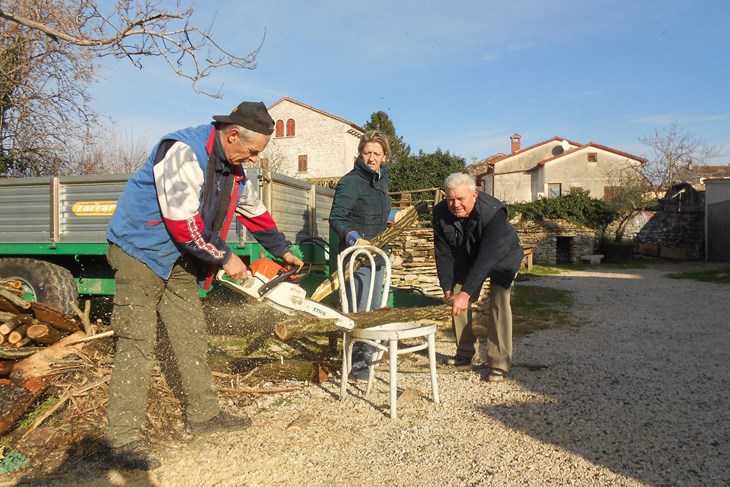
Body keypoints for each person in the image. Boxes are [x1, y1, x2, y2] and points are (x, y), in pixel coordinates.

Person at [100, 101, 303, 470]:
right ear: (233, 134)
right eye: (254, 151)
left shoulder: (235, 169)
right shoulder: (182, 152)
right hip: (139, 250)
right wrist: (226, 257)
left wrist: (283, 249)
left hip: (178, 257)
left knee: (191, 334)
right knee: (137, 342)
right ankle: (121, 439)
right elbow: (183, 222)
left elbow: (253, 211)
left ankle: (204, 415)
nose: (256, 159)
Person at [432, 173, 524, 382]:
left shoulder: (493, 212)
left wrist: (467, 292)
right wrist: (447, 286)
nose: (455, 204)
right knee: (457, 296)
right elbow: (443, 253)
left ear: (475, 194)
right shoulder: (439, 213)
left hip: (502, 256)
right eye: (450, 199)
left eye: (461, 199)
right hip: (469, 257)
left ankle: (499, 362)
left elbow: (487, 257)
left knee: (499, 299)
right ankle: (465, 353)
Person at [329, 130, 394, 379]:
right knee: (358, 307)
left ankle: (369, 353)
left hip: (378, 255)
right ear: (360, 153)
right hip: (357, 258)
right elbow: (337, 218)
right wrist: (356, 239)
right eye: (367, 152)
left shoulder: (381, 179)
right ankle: (356, 361)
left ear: (385, 156)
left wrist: (396, 215)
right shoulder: (350, 182)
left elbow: (376, 212)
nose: (371, 157)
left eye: (377, 153)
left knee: (374, 306)